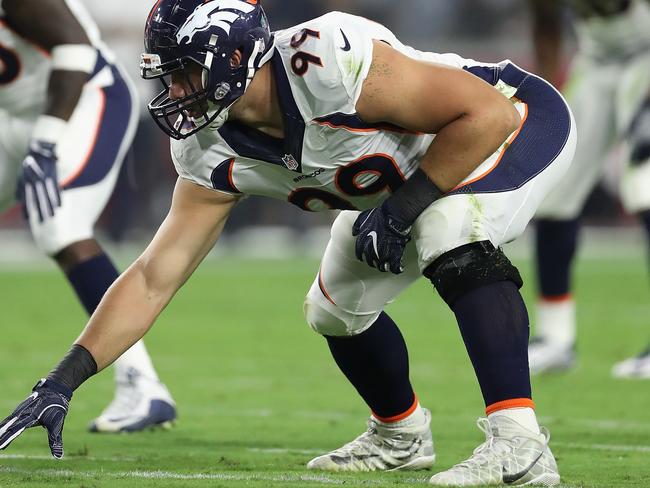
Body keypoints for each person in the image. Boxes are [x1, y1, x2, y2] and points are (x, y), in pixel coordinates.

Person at [0, 0, 576, 485]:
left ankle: (518, 442)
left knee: (448, 228)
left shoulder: (325, 61)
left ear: (231, 57)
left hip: (512, 124)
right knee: (334, 308)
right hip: (409, 179)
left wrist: (402, 209)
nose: (174, 90)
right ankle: (399, 434)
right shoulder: (206, 148)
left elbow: (485, 113)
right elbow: (154, 276)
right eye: (167, 76)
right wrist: (63, 380)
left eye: (184, 71)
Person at [0, 0, 176, 431]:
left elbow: (75, 49)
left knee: (61, 226)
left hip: (82, 99)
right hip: (12, 115)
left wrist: (45, 141)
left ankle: (142, 384)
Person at [528, 0, 650, 378]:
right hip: (596, 59)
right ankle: (555, 338)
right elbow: (545, 22)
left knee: (645, 186)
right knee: (553, 192)